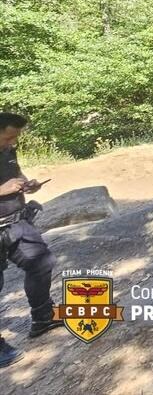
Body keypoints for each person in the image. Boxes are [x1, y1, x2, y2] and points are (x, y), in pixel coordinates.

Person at [0, 113, 63, 368]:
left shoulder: (7, 151)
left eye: (16, 136)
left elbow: (15, 175)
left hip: (16, 222)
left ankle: (43, 317)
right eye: (9, 136)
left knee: (41, 263)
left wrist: (28, 185)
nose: (14, 141)